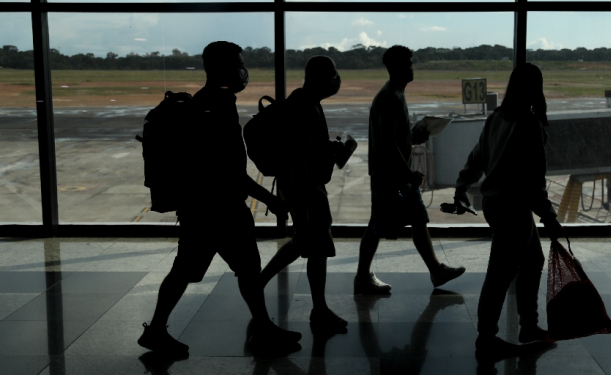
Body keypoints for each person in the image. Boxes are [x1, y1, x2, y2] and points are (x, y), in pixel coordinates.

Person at [137, 41, 301, 356]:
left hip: (206, 206)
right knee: (210, 269)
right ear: (221, 68)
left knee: (231, 269)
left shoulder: (214, 101)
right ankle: (158, 330)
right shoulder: (215, 106)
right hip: (216, 208)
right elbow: (227, 170)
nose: (243, 70)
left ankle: (262, 328)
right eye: (238, 64)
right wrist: (271, 198)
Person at [448, 63, 564, 358]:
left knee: (531, 260)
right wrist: (548, 216)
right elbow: (533, 180)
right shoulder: (528, 124)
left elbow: (477, 157)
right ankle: (487, 339)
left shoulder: (497, 117)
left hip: (496, 204)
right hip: (513, 207)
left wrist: (462, 186)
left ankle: (528, 326)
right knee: (499, 275)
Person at [354, 45, 466, 295]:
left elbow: (394, 137)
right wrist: (407, 173)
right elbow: (387, 142)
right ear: (394, 68)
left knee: (417, 218)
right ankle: (362, 276)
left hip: (395, 174)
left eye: (411, 63)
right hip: (389, 175)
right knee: (378, 226)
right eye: (407, 64)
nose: (411, 68)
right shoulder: (390, 97)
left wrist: (413, 137)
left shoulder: (395, 95)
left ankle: (436, 271)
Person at [258, 56, 348, 334]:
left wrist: (328, 150)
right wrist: (303, 207)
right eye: (333, 75)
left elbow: (306, 151)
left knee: (303, 242)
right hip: (305, 189)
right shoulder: (305, 108)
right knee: (316, 248)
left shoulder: (307, 102)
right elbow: (298, 161)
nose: (337, 80)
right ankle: (318, 310)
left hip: (303, 187)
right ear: (321, 79)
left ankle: (258, 284)